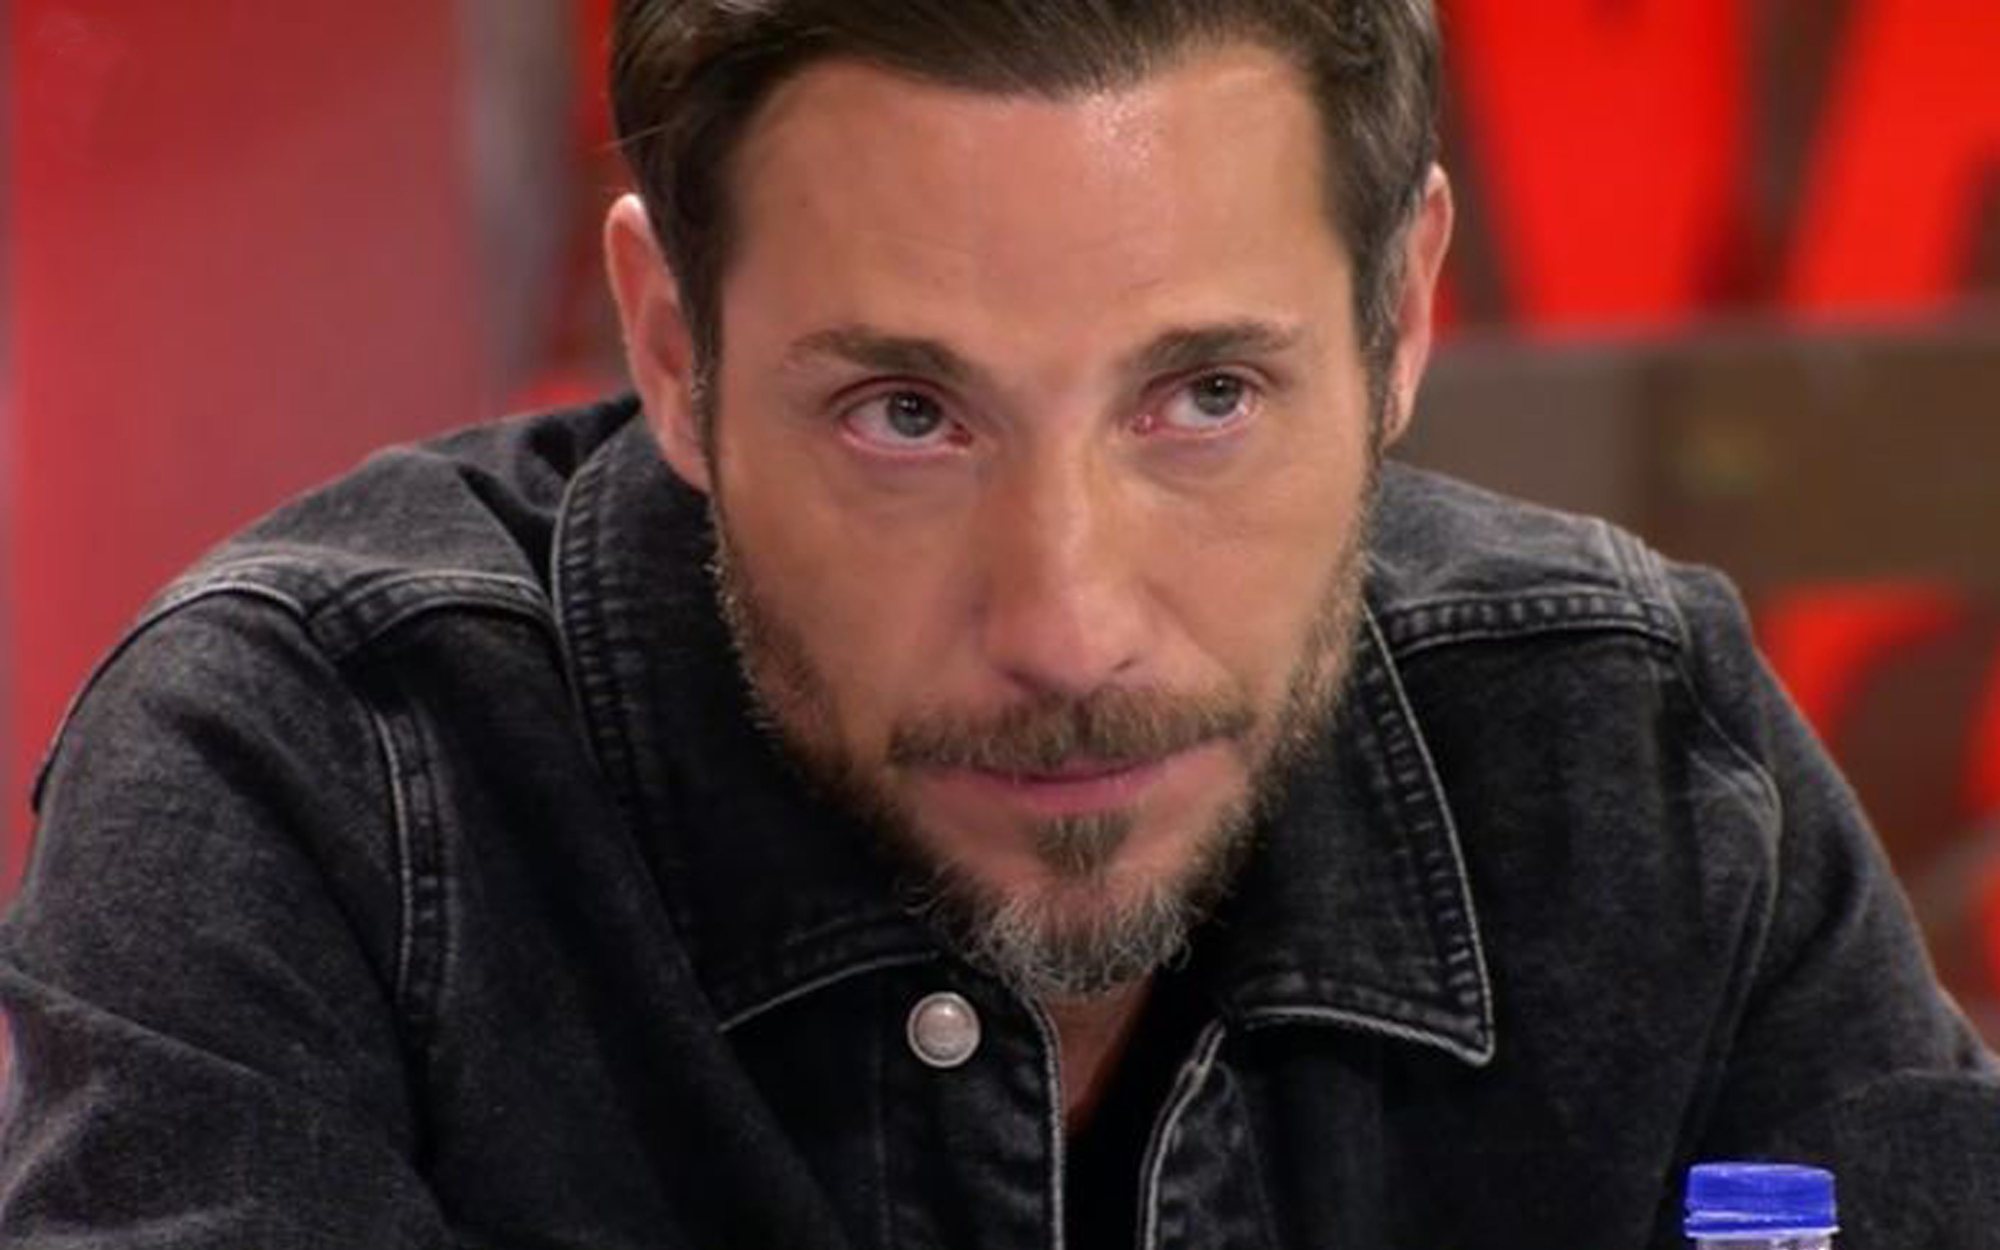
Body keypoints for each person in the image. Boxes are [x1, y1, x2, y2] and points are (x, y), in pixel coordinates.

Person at [2, 1, 1995, 1246]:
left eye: (1202, 396)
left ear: (1399, 320)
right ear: (673, 350)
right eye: (907, 414)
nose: (1067, 628)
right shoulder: (311, 787)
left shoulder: (1636, 751)